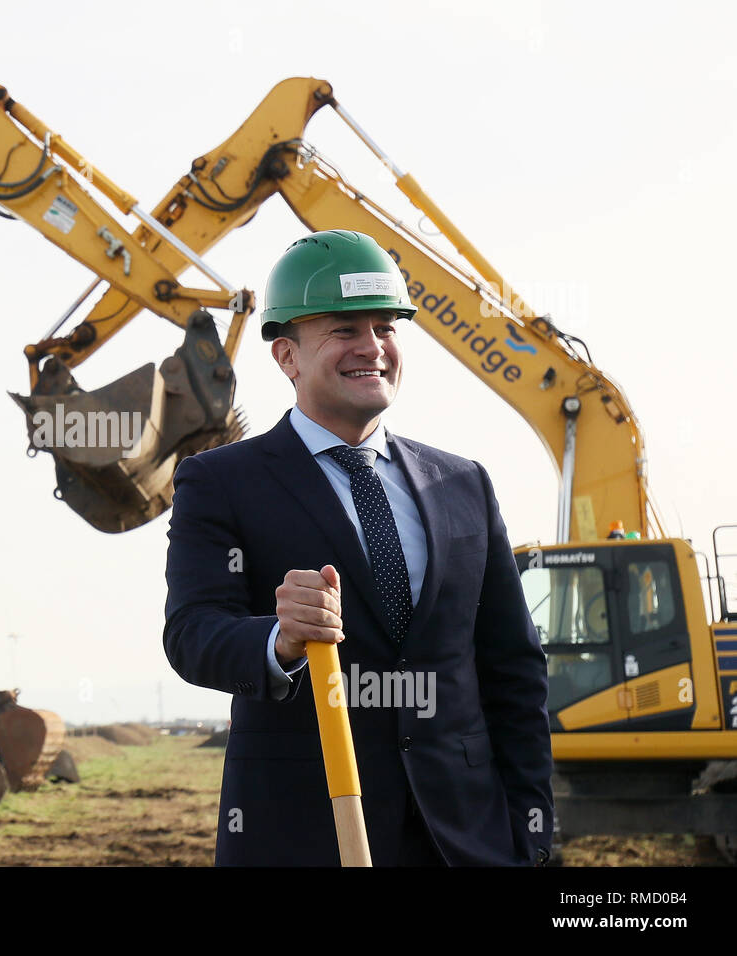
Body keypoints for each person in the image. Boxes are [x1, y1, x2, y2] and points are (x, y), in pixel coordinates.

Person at [162, 230, 553, 866]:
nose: (372, 347)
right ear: (286, 356)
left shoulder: (464, 484)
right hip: (303, 836)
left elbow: (513, 668)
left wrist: (529, 837)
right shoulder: (220, 481)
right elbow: (192, 634)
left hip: (465, 841)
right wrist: (280, 639)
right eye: (345, 330)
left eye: (386, 328)